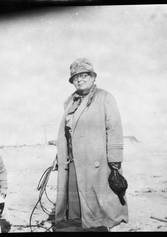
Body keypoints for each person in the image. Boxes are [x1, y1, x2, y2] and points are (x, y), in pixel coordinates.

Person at [54, 58, 129, 231]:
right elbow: (66, 133)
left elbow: (114, 129)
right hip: (73, 160)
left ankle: (103, 226)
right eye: (75, 77)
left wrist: (115, 160)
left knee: (101, 200)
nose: (79, 79)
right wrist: (60, 156)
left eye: (84, 75)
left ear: (93, 77)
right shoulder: (70, 102)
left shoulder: (104, 97)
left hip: (98, 160)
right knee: (75, 202)